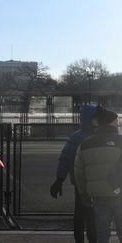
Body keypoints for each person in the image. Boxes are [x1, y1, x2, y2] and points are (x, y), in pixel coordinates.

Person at [50, 104, 97, 243]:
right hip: (96, 181)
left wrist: (60, 179)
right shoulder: (100, 135)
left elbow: (65, 158)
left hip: (80, 181)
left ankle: (81, 240)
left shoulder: (76, 137)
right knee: (92, 216)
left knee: (81, 214)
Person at [75, 106, 122, 243]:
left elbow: (79, 174)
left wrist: (84, 195)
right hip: (120, 194)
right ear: (111, 122)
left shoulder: (85, 144)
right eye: (116, 120)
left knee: (101, 232)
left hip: (99, 196)